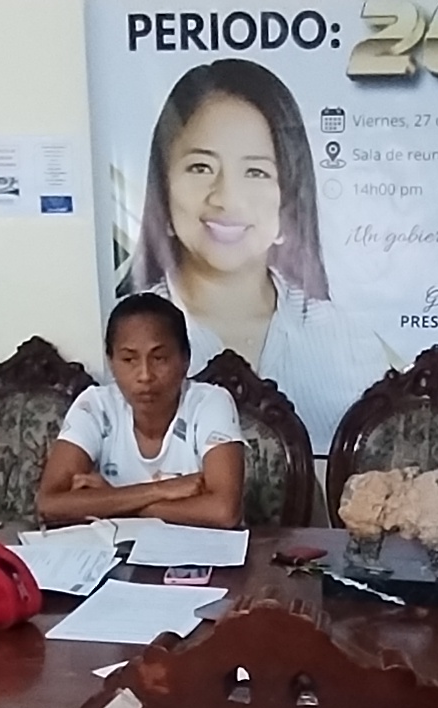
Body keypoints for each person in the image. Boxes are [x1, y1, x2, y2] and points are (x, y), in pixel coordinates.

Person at [126, 58, 388, 440]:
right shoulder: (126, 342)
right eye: (201, 167)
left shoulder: (348, 342)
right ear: (162, 189)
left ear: (288, 200)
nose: (226, 198)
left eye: (256, 172)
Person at [37, 293, 247, 528]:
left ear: (185, 359)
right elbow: (50, 504)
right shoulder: (95, 406)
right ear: (111, 363)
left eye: (159, 358)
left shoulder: (210, 403)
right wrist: (161, 490)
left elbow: (224, 512)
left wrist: (111, 499)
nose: (145, 375)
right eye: (129, 360)